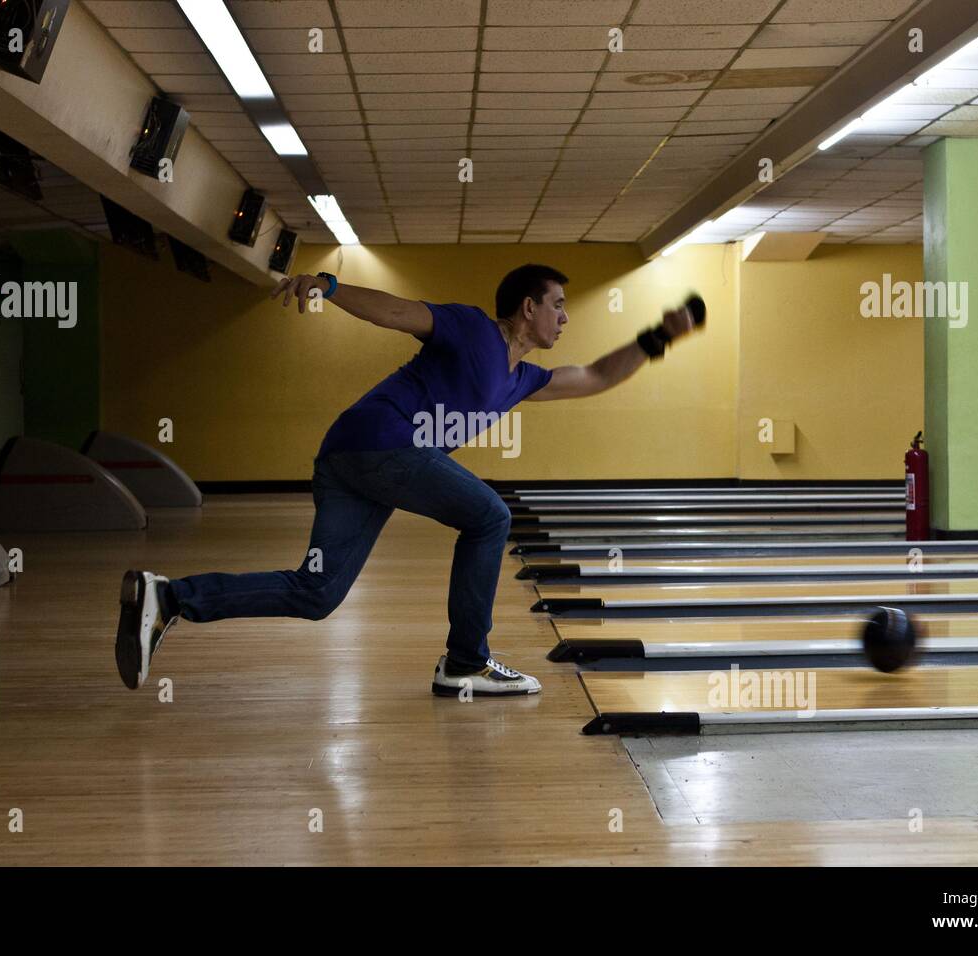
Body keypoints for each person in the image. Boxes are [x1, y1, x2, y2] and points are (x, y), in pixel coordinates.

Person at [115, 264, 703, 697]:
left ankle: (167, 597)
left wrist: (659, 338)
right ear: (528, 308)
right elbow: (400, 311)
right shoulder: (472, 329)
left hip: (349, 462)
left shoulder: (521, 378)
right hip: (382, 443)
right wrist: (331, 285)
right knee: (491, 516)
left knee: (316, 593)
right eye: (558, 305)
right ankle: (466, 662)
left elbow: (597, 375)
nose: (565, 317)